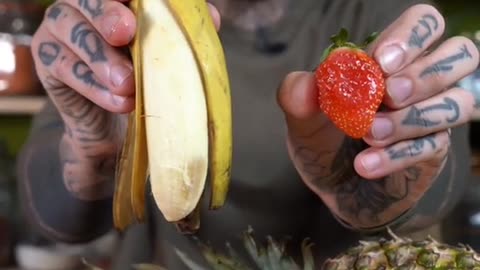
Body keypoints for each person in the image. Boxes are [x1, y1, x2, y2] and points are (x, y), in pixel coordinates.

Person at [16, 0, 480, 268]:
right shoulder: (121, 17)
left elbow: (442, 188)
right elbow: (54, 219)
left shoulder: (377, 10)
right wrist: (93, 143)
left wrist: (385, 182)